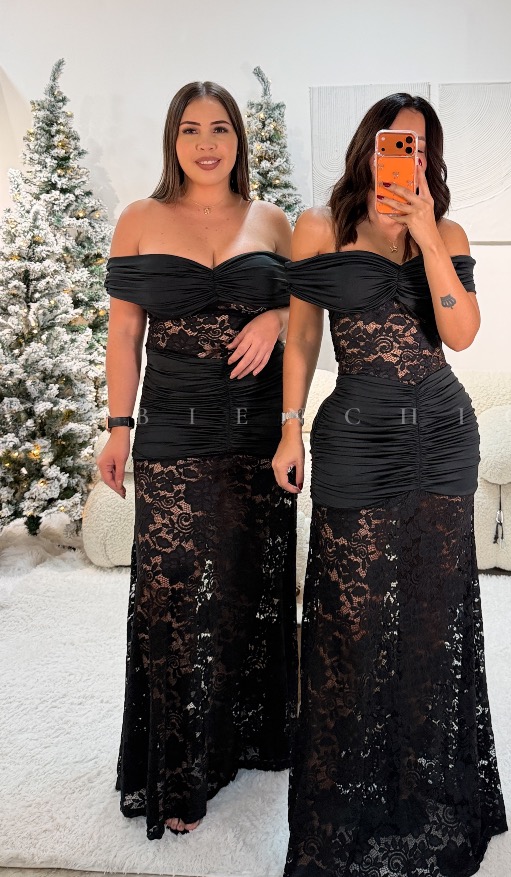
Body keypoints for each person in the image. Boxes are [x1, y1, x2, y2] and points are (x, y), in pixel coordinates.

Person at [273, 93, 507, 876]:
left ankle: (426, 791)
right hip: (355, 435)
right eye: (391, 142)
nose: (403, 156)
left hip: (441, 433)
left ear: (429, 157)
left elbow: (461, 332)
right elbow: (302, 334)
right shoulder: (320, 226)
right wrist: (288, 424)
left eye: (418, 145)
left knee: (434, 617)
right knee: (350, 617)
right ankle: (350, 797)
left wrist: (428, 235)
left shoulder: (448, 232)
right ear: (367, 148)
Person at [97, 81, 297, 840]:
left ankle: (244, 740)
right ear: (172, 141)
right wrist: (118, 427)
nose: (206, 143)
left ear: (238, 139)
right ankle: (178, 770)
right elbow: (124, 334)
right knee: (174, 594)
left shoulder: (272, 221)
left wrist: (275, 315)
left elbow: (309, 310)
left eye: (219, 129)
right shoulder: (139, 218)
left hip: (256, 430)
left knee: (249, 588)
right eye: (190, 129)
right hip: (172, 430)